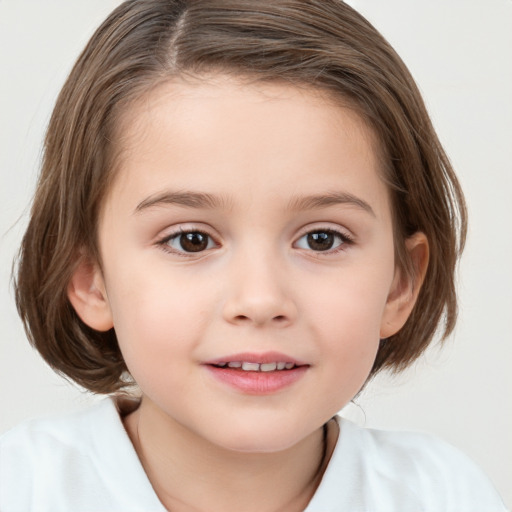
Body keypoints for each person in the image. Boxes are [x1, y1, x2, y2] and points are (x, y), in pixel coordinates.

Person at [0, 0, 507, 510]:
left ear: (400, 283)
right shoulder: (21, 488)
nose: (261, 300)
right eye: (190, 239)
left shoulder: (443, 495)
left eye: (322, 239)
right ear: (90, 279)